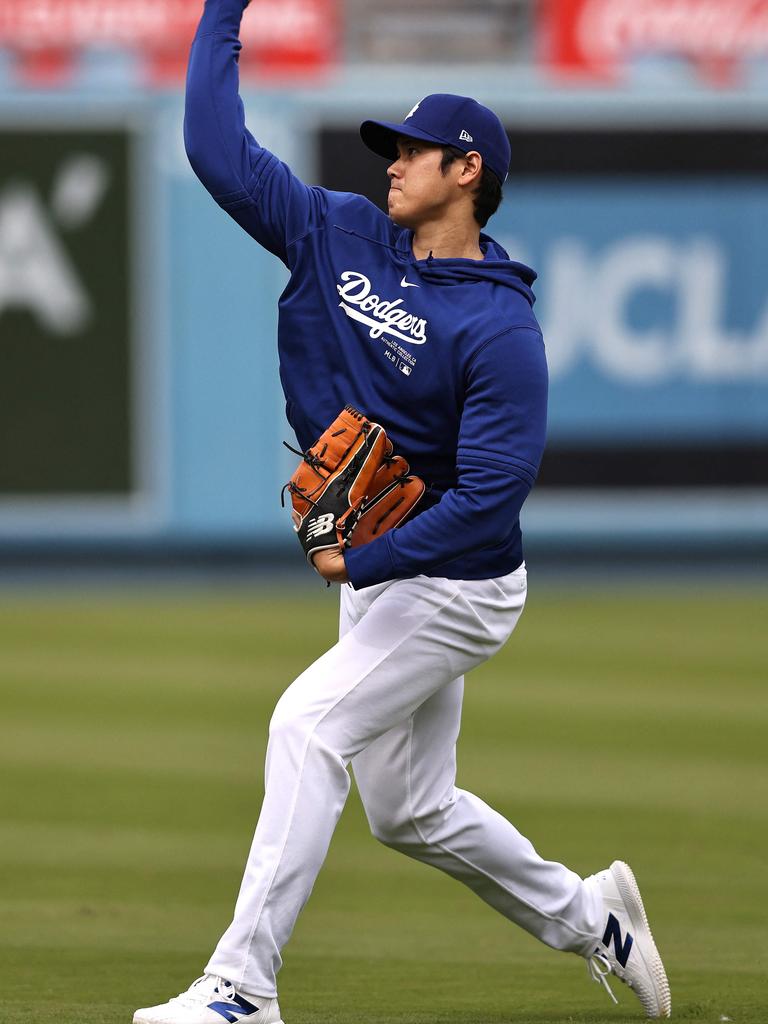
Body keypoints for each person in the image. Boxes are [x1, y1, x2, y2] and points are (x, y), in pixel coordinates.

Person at [133, 1, 671, 1021]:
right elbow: (215, 147)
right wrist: (223, 8)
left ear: (467, 172)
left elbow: (488, 502)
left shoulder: (500, 330)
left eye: (416, 150)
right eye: (393, 148)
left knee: (306, 726)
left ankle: (242, 990)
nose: (394, 162)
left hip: (459, 583)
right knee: (412, 810)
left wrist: (363, 565)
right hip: (390, 563)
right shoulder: (336, 229)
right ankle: (594, 915)